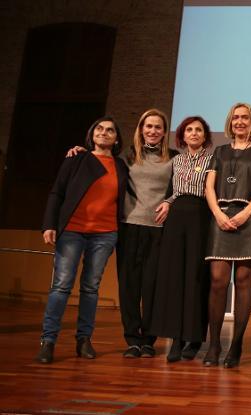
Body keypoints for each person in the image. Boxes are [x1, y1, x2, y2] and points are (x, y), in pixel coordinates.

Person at [66, 109, 178, 359]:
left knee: (152, 286)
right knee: (129, 285)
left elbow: (179, 188)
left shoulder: (174, 157)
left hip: (158, 229)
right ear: (140, 129)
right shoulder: (125, 157)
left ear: (164, 131)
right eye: (148, 126)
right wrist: (81, 152)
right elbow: (100, 160)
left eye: (158, 127)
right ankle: (133, 340)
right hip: (128, 226)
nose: (153, 131)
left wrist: (169, 202)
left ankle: (149, 339)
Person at [36, 116, 128, 363]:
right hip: (72, 231)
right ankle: (48, 341)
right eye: (100, 128)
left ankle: (84, 339)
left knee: (90, 288)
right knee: (61, 286)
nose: (104, 133)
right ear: (92, 134)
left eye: (110, 130)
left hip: (105, 233)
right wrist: (49, 225)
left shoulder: (121, 166)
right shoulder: (76, 158)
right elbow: (57, 191)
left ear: (116, 138)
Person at [204, 103, 251, 368]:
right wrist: (218, 214)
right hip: (220, 218)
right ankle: (213, 345)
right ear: (230, 122)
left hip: (249, 220)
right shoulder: (219, 151)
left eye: (245, 117)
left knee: (244, 281)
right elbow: (209, 187)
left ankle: (236, 345)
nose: (240, 122)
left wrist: (245, 214)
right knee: (218, 281)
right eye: (236, 118)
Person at [148, 116, 212, 363]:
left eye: (198, 130)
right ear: (182, 136)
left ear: (205, 135)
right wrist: (167, 201)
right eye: (189, 130)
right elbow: (170, 192)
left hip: (201, 217)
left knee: (196, 277)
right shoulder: (175, 160)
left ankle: (194, 338)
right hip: (176, 219)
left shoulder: (213, 160)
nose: (194, 134)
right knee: (174, 277)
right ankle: (175, 339)